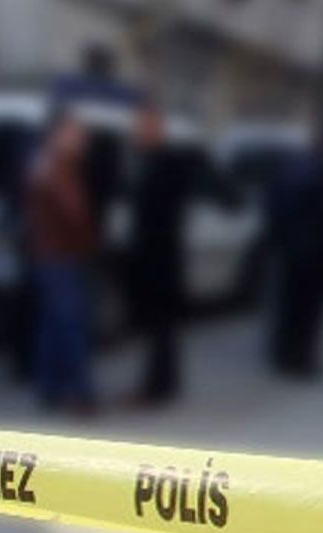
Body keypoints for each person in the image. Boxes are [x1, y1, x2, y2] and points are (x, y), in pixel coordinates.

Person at [26, 110, 97, 414]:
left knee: (55, 323)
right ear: (57, 136)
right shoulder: (55, 168)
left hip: (54, 253)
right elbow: (74, 214)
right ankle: (80, 391)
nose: (81, 141)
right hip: (59, 255)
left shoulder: (57, 165)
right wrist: (88, 241)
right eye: (75, 134)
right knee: (70, 323)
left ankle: (50, 388)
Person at [124, 105, 194, 405]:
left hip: (161, 259)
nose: (138, 133)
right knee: (160, 328)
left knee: (161, 327)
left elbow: (160, 213)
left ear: (157, 130)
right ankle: (164, 384)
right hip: (153, 257)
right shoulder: (147, 162)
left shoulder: (166, 164)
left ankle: (157, 388)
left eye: (144, 128)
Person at [264, 127, 323, 379]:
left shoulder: (287, 170)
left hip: (289, 248)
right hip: (313, 249)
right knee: (309, 310)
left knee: (288, 306)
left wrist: (277, 239)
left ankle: (283, 356)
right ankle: (303, 360)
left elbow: (272, 207)